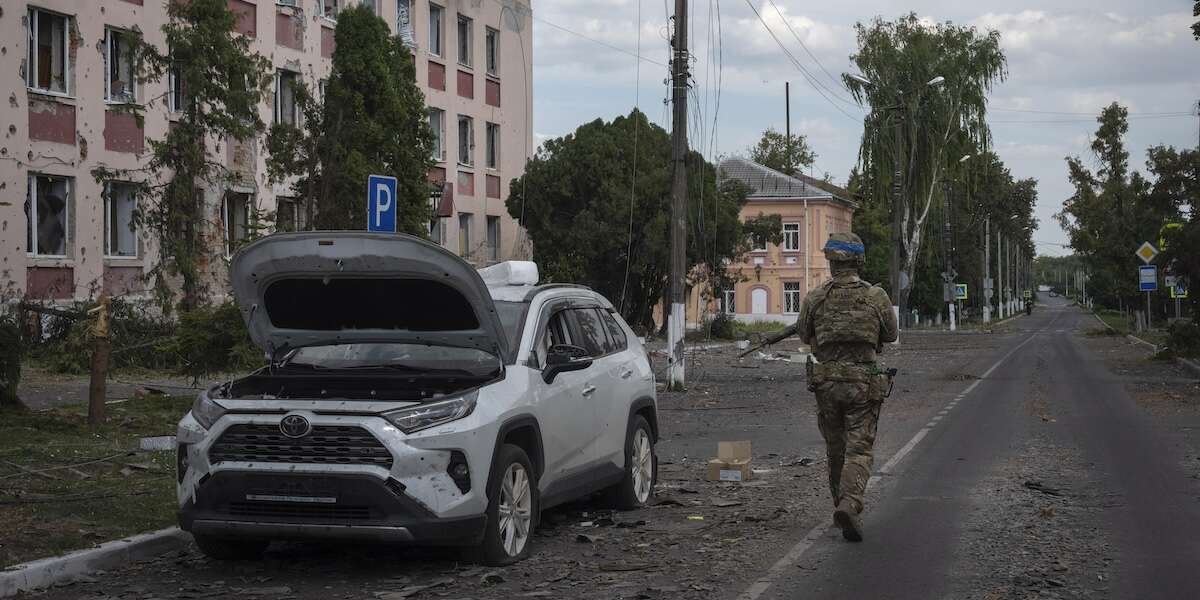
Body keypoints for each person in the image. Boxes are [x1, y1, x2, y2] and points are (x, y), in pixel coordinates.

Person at [796, 232, 898, 542]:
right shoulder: (875, 296)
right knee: (859, 449)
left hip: (826, 384)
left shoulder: (815, 297)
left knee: (835, 449)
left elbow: (803, 334)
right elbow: (891, 334)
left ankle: (838, 505)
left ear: (831, 262)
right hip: (862, 385)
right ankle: (850, 503)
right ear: (859, 261)